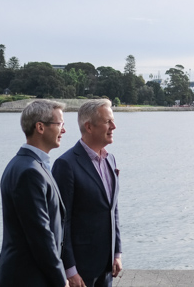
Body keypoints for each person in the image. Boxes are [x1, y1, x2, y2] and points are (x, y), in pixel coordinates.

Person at [0, 99, 69, 287]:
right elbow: (41, 237)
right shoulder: (30, 172)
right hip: (29, 279)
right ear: (40, 127)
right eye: (60, 124)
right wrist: (61, 280)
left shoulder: (23, 164)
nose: (64, 130)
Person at [52, 99, 122, 287]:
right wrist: (70, 269)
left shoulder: (111, 160)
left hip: (107, 269)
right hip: (81, 272)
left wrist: (117, 253)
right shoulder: (65, 165)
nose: (114, 126)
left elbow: (112, 210)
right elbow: (61, 222)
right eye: (108, 122)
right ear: (89, 127)